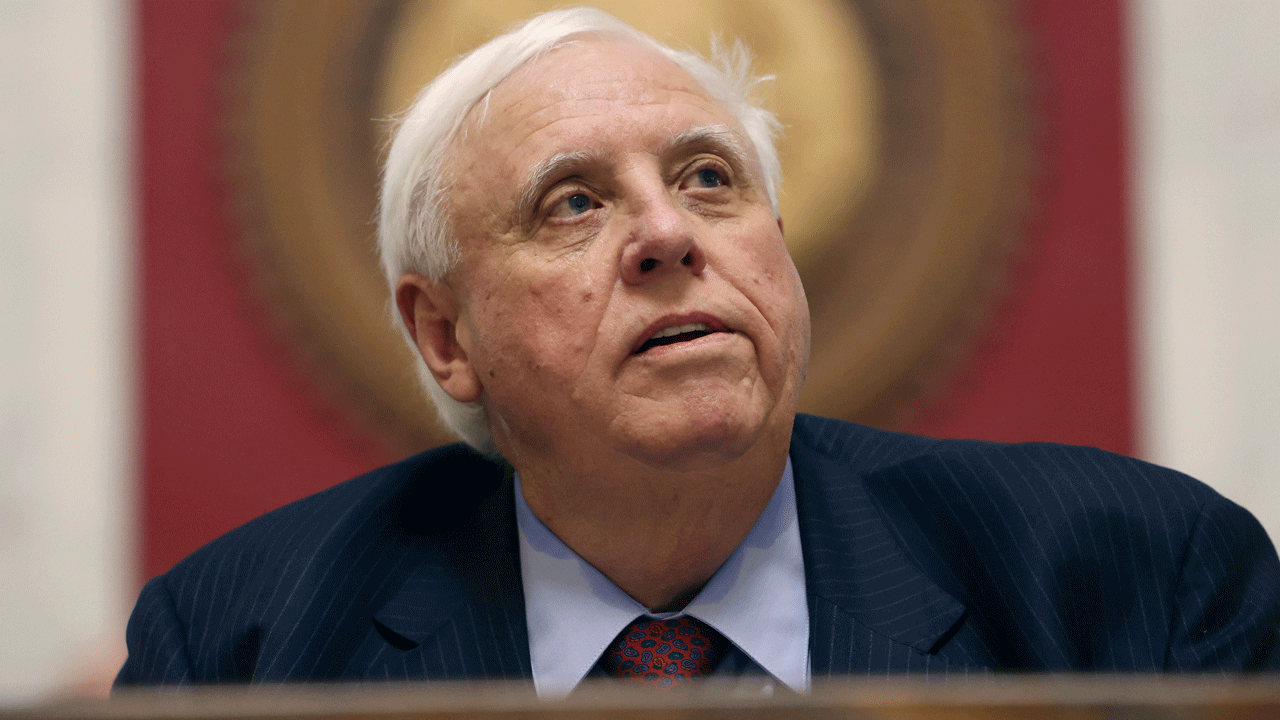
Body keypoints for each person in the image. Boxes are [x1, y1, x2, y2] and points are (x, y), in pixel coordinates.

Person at [116, 8, 1280, 694]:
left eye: (708, 179)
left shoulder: (1134, 583)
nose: (667, 234)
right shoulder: (239, 649)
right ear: (444, 336)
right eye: (573, 203)